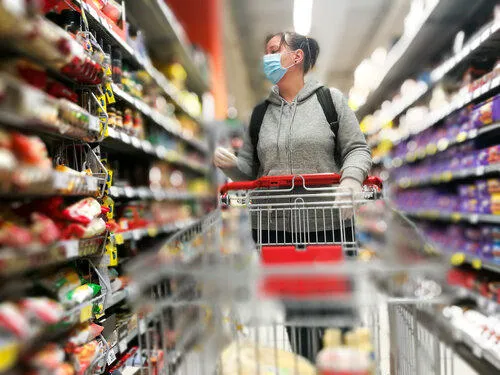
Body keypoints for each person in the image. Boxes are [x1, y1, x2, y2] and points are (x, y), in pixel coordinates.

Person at [214, 31, 372, 361]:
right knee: (295, 316)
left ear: (297, 57)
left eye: (274, 50)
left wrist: (351, 181)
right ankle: (306, 366)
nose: (266, 57)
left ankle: (337, 368)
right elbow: (250, 169)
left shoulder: (331, 101)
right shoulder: (259, 115)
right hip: (275, 233)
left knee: (336, 317)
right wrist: (232, 165)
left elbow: (356, 148)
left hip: (329, 226)